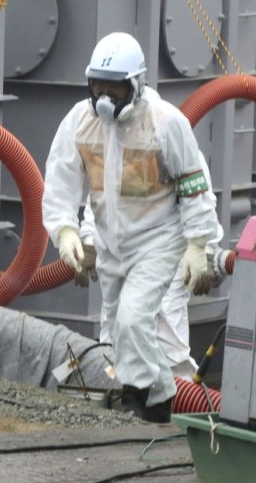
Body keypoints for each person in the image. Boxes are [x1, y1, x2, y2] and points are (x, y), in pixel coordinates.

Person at [42, 32, 222, 423]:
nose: (104, 97)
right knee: (116, 329)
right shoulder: (81, 122)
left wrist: (200, 246)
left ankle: (144, 396)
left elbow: (195, 186)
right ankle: (157, 399)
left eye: (115, 87)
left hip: (159, 241)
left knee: (134, 319)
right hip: (111, 245)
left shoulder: (165, 123)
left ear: (136, 84)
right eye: (97, 85)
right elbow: (65, 182)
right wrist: (71, 234)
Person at [75, 151, 226, 382]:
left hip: (169, 253)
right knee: (115, 333)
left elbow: (200, 200)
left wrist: (205, 250)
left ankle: (178, 399)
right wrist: (88, 241)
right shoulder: (112, 140)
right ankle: (115, 399)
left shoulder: (177, 143)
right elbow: (99, 195)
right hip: (120, 253)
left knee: (166, 337)